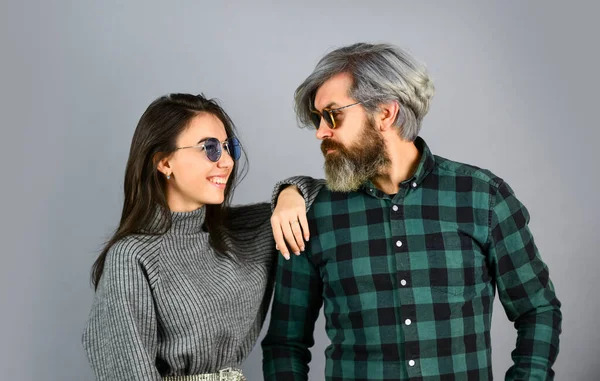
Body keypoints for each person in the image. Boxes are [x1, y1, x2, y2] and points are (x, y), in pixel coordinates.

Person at [262, 43, 562, 381]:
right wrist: (290, 190)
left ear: (385, 114)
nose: (320, 132)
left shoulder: (481, 197)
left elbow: (537, 309)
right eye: (318, 119)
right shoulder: (312, 214)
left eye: (332, 115)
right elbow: (285, 344)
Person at [82, 93, 323, 381]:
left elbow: (324, 195)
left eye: (227, 147)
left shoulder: (246, 232)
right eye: (209, 148)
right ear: (164, 162)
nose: (227, 162)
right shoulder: (132, 256)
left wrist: (290, 192)